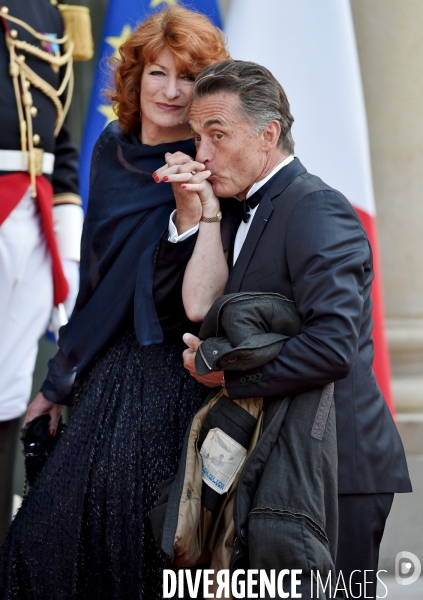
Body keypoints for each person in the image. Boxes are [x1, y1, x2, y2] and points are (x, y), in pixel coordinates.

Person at [154, 60, 412, 599]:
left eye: (217, 135)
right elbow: (202, 309)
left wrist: (228, 379)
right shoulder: (240, 207)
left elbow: (332, 347)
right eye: (198, 136)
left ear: (268, 134)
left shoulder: (315, 207)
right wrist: (202, 214)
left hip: (337, 472)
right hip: (280, 466)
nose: (201, 154)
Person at [0, 7, 229, 599]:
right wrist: (66, 377)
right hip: (101, 358)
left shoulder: (200, 165)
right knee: (45, 543)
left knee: (126, 544)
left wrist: (56, 381)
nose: (172, 92)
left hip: (164, 370)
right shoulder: (111, 144)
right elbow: (99, 279)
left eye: (188, 78)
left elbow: (159, 287)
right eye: (158, 73)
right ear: (135, 77)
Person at [0, 0, 83, 543]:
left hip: (34, 216)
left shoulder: (46, 13)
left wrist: (69, 250)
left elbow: (62, 143)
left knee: (6, 398)